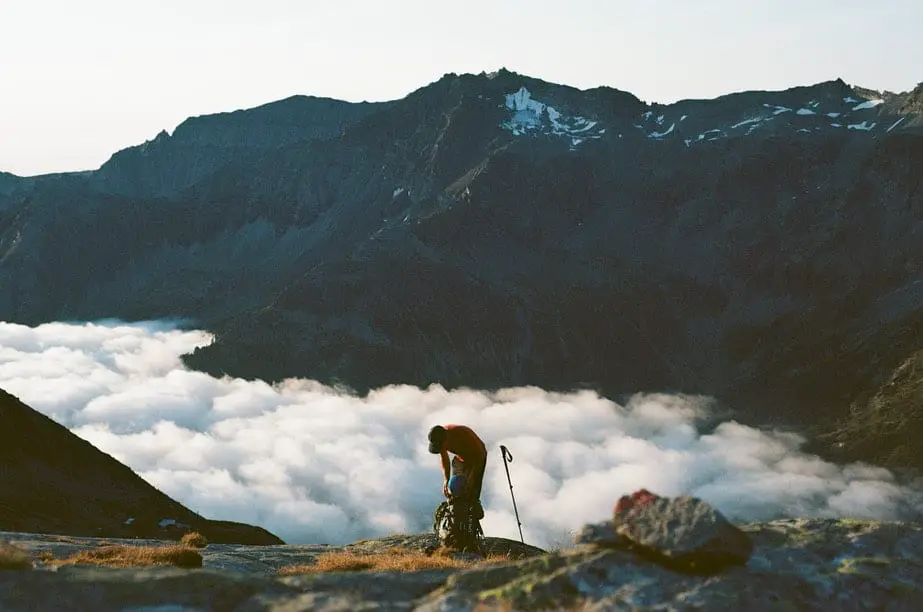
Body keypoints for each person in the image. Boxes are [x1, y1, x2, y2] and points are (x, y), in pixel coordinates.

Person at [427, 424, 487, 504]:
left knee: (470, 492)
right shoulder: (440, 438)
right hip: (460, 459)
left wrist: (473, 476)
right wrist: (446, 480)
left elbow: (480, 455)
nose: (441, 449)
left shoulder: (462, 434)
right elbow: (444, 458)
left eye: (441, 446)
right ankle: (456, 510)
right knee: (454, 489)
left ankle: (469, 510)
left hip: (477, 458)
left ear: (445, 440)